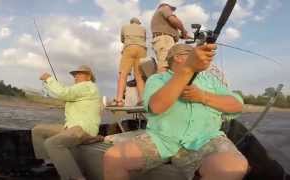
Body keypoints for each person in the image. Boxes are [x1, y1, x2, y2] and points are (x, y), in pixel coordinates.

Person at [103, 44, 248, 180]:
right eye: (192, 55)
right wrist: (188, 70)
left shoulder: (210, 80)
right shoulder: (157, 79)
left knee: (233, 167)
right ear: (178, 58)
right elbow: (156, 106)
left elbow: (237, 105)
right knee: (113, 158)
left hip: (206, 139)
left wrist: (202, 96)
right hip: (161, 140)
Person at [32, 65, 101, 180]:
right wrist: (49, 84)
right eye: (75, 75)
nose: (76, 77)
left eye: (79, 74)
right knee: (38, 130)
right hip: (70, 127)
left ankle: (75, 177)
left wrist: (49, 79)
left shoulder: (88, 86)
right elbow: (61, 94)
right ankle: (50, 163)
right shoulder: (79, 89)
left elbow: (64, 93)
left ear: (89, 76)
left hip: (82, 129)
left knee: (52, 143)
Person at [113, 17, 147, 106]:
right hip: (142, 49)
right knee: (139, 76)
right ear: (138, 23)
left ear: (131, 22)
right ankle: (142, 100)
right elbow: (144, 39)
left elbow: (122, 40)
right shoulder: (143, 28)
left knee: (123, 74)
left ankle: (119, 100)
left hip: (129, 47)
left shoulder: (125, 27)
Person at [151, 3, 191, 72]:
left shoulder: (159, 17)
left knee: (167, 64)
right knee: (165, 64)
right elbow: (173, 20)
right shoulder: (165, 8)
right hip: (165, 40)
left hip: (162, 39)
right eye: (171, 10)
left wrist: (183, 36)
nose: (172, 12)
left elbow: (168, 30)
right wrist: (183, 30)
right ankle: (162, 82)